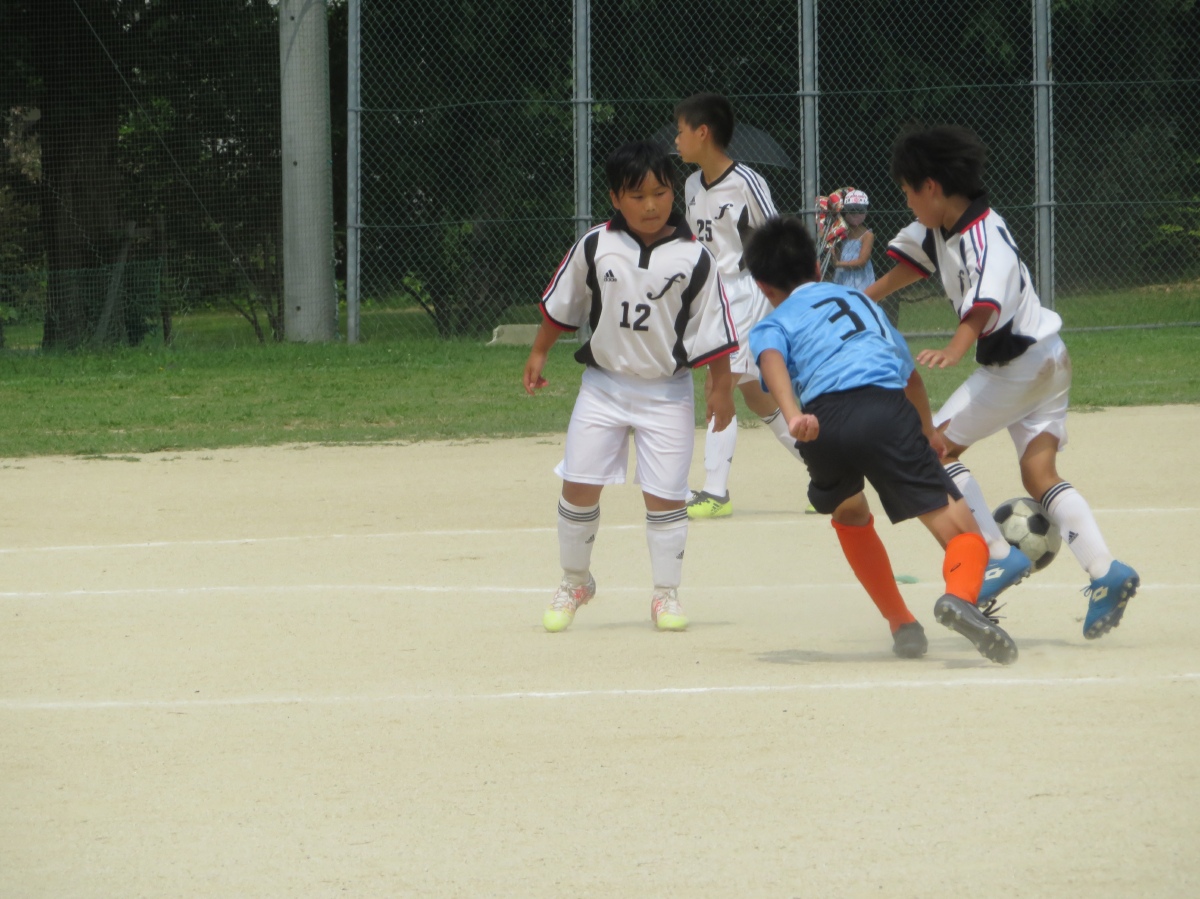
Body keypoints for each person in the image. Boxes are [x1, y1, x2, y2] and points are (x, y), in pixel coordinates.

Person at [866, 124, 1139, 639]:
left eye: (907, 191)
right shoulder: (943, 226)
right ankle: (1106, 571)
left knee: (933, 447)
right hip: (1049, 361)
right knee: (1039, 474)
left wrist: (954, 347)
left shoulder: (985, 236)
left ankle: (996, 554)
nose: (906, 201)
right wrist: (866, 297)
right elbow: (914, 266)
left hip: (1018, 368)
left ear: (931, 187)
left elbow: (985, 305)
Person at [745, 215, 1018, 664]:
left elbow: (771, 358)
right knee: (961, 531)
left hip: (822, 425)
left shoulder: (773, 322)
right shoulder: (859, 301)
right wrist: (928, 432)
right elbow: (910, 377)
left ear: (763, 287)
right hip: (883, 410)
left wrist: (792, 415)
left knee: (850, 513)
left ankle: (901, 623)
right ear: (817, 267)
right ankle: (959, 598)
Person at [523, 140, 737, 633]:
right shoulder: (596, 245)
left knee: (665, 496)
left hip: (667, 392)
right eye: (636, 196)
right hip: (604, 387)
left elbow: (713, 329)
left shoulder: (695, 257)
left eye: (660, 193)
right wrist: (539, 351)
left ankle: (666, 594)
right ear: (615, 198)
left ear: (674, 193)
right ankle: (576, 580)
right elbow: (563, 303)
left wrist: (722, 387)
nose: (650, 205)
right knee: (579, 483)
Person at [672, 92, 803, 520]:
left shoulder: (746, 181)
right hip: (711, 295)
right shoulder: (691, 185)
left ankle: (715, 492)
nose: (676, 140)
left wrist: (793, 292)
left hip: (745, 293)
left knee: (719, 383)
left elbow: (776, 235)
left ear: (703, 133)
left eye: (681, 131)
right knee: (757, 396)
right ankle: (827, 469)